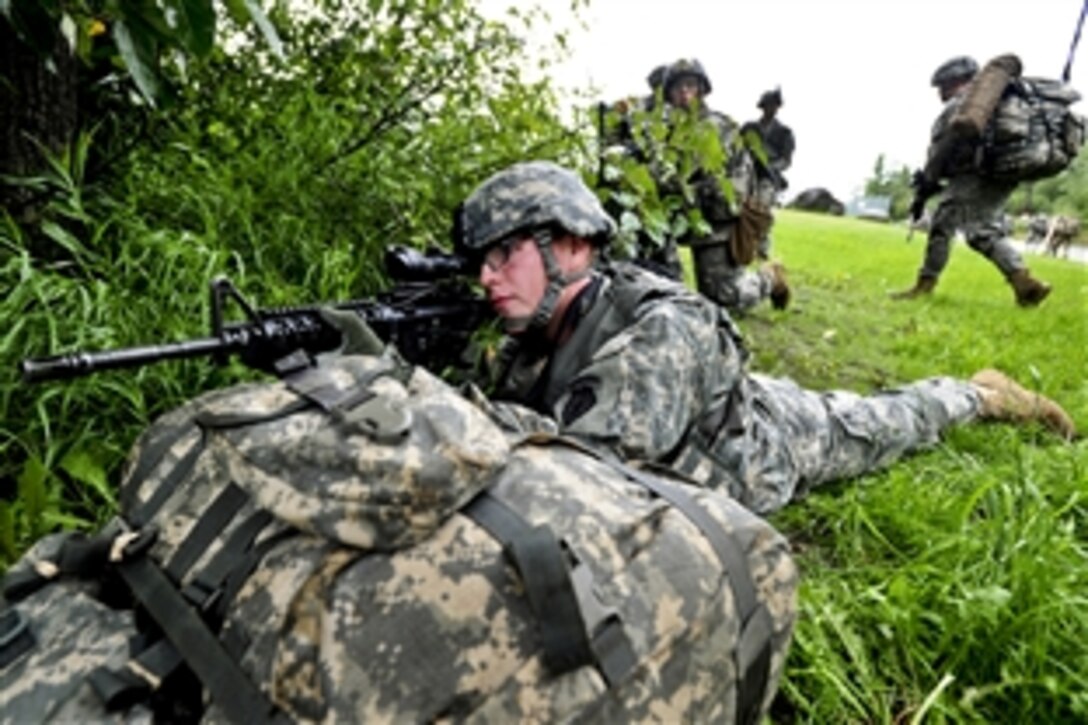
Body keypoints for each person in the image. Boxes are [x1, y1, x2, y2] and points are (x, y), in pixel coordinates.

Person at [454, 160, 1076, 515]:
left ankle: (980, 395)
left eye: (506, 253)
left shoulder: (660, 329)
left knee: (892, 419)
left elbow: (582, 470)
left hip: (775, 441)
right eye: (483, 260)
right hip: (719, 408)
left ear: (571, 243)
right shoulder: (544, 322)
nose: (488, 277)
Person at [892, 56, 1052, 306]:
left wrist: (928, 182)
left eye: (942, 86)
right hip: (1004, 172)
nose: (940, 93)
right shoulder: (1003, 104)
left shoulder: (961, 105)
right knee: (980, 230)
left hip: (974, 174)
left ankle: (925, 285)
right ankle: (1024, 284)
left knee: (952, 226)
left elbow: (940, 149)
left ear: (956, 81)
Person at [654, 58, 790, 312]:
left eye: (691, 86)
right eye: (677, 87)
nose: (684, 93)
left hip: (716, 220)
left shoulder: (720, 128)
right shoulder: (661, 131)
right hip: (673, 217)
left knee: (724, 298)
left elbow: (732, 194)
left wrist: (689, 192)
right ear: (668, 94)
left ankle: (770, 278)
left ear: (702, 90)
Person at [740, 88, 795, 259]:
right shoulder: (749, 128)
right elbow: (738, 149)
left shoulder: (785, 133)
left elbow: (786, 160)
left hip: (768, 178)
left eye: (774, 105)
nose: (771, 109)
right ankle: (743, 245)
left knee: (764, 212)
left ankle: (762, 248)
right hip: (747, 175)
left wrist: (772, 167)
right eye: (768, 105)